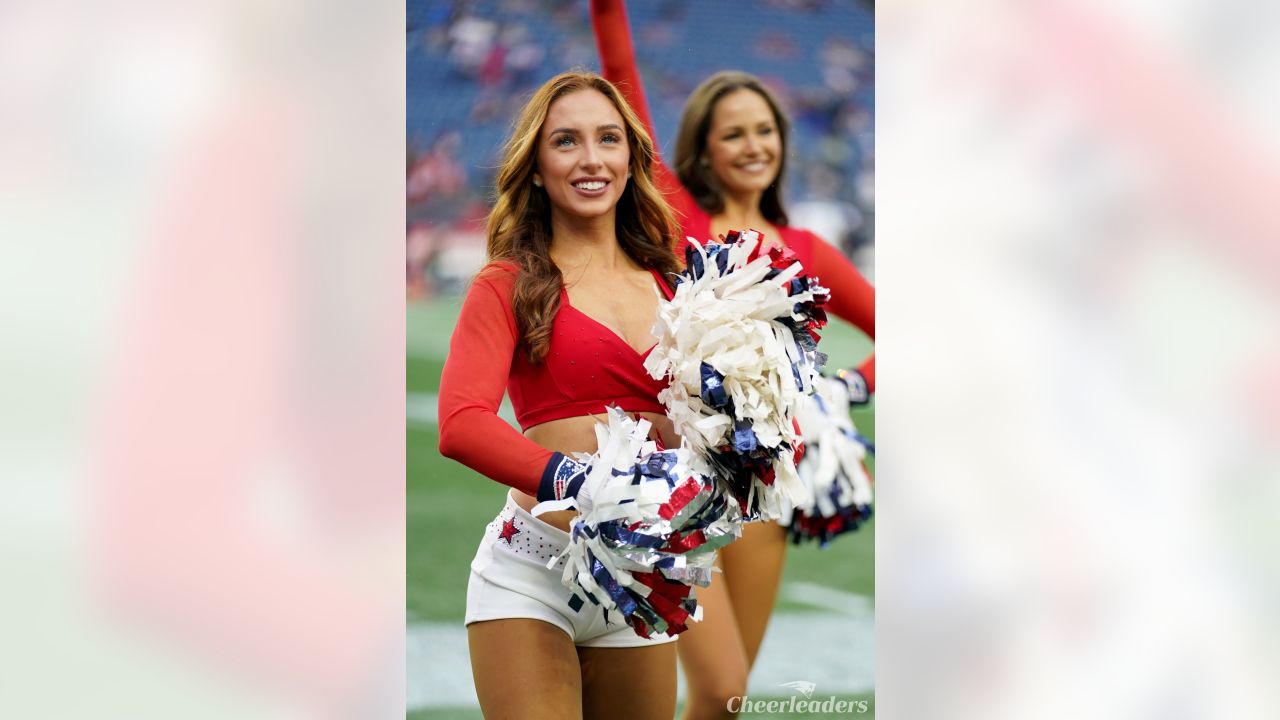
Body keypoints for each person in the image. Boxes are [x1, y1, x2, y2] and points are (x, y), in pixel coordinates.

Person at [589, 2, 876, 717]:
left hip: (763, 487)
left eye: (765, 131)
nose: (753, 145)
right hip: (673, 481)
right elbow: (622, 83)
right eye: (733, 133)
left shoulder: (806, 249)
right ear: (703, 149)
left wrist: (841, 389)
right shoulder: (677, 216)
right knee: (713, 683)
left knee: (727, 702)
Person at [436, 70, 686, 720]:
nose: (591, 158)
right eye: (566, 142)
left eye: (608, 138)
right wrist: (581, 482)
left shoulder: (679, 281)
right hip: (532, 576)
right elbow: (461, 424)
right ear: (537, 165)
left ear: (633, 159)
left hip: (641, 576)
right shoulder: (507, 282)